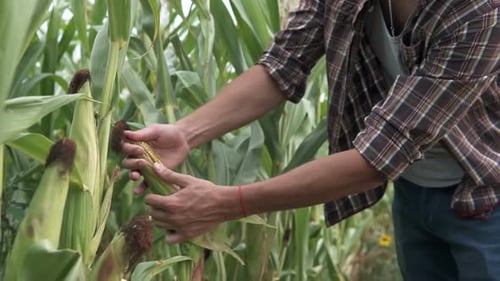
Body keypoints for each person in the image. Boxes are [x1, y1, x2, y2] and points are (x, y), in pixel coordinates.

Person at [121, 0, 500, 279]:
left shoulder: (480, 12)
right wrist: (186, 132)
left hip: (485, 198)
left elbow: (377, 158)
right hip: (414, 191)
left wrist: (227, 202)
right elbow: (284, 63)